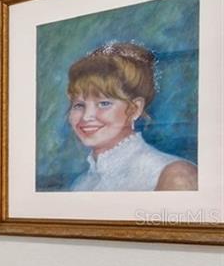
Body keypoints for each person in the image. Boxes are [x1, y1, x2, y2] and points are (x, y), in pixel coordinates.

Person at [63, 43, 197, 192]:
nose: (86, 116)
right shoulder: (81, 184)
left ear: (135, 109)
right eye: (79, 105)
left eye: (104, 103)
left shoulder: (174, 175)